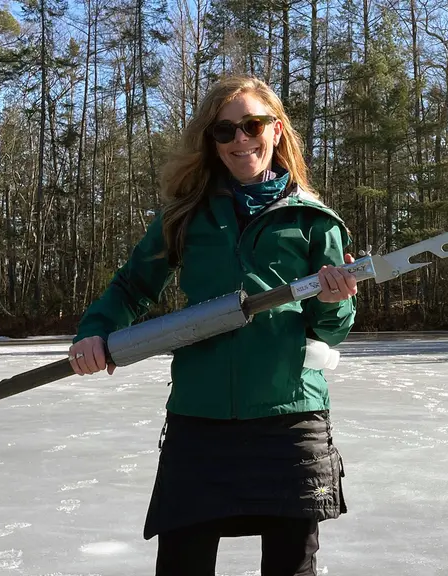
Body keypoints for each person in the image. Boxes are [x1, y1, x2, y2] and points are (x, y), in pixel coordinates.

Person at [66, 75, 359, 576]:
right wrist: (95, 331)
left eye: (252, 125)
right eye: (225, 132)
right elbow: (132, 287)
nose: (241, 140)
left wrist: (334, 300)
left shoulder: (316, 223)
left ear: (277, 131)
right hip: (199, 419)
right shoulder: (185, 216)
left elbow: (328, 330)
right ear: (212, 141)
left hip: (288, 420)